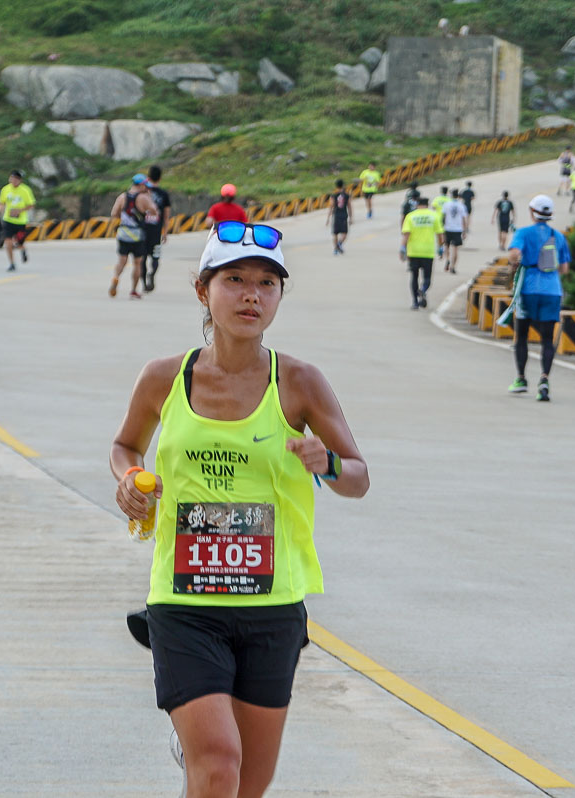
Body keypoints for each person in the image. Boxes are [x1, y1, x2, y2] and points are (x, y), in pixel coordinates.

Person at [110, 221, 369, 798]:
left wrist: (325, 463)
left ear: (279, 296)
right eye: (235, 280)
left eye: (266, 284)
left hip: (271, 605)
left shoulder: (299, 382)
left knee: (248, 782)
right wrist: (129, 477)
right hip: (184, 600)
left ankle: (199, 756)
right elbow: (125, 445)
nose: (251, 294)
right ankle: (201, 744)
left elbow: (358, 477)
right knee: (221, 762)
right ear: (203, 291)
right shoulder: (164, 377)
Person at [506, 195, 570, 402]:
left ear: (532, 211)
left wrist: (517, 264)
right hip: (552, 291)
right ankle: (544, 380)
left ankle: (521, 379)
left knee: (522, 335)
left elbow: (514, 254)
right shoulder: (558, 236)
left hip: (529, 290)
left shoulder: (523, 233)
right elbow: (565, 268)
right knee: (547, 339)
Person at [110, 174, 159, 299]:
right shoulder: (144, 198)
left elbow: (114, 213)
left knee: (122, 261)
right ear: (141, 185)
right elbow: (154, 211)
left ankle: (116, 278)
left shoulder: (122, 197)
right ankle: (133, 290)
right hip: (137, 235)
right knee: (137, 263)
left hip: (123, 233)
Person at [400, 196, 443, 310]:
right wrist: (441, 247)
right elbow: (439, 234)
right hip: (428, 252)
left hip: (413, 251)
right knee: (427, 277)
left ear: (417, 204)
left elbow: (406, 234)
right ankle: (423, 290)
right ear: (427, 204)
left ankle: (415, 302)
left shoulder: (411, 216)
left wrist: (402, 248)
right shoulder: (434, 216)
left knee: (414, 277)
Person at [0, 169, 35, 272]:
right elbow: (2, 202)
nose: (13, 181)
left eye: (16, 179)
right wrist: (0, 208)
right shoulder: (5, 189)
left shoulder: (25, 190)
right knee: (8, 242)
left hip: (20, 221)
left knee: (19, 243)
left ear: (20, 180)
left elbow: (31, 204)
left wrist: (19, 211)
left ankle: (23, 250)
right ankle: (12, 263)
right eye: (12, 178)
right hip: (8, 220)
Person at [143, 165, 172, 293]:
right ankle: (152, 274)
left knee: (142, 258)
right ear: (160, 178)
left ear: (148, 177)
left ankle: (144, 283)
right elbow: (166, 216)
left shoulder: (142, 192)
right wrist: (165, 233)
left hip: (142, 231)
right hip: (156, 231)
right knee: (155, 257)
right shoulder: (163, 194)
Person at [440, 188, 468, 273]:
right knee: (455, 249)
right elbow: (464, 219)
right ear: (458, 196)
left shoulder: (446, 204)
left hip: (448, 228)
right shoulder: (462, 205)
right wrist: (464, 231)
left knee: (446, 246)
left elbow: (443, 217)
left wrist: (442, 227)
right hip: (457, 229)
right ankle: (453, 266)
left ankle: (448, 259)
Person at [326, 178, 351, 255]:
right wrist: (351, 217)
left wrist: (328, 218)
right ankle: (339, 244)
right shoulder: (347, 195)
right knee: (345, 233)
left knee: (335, 233)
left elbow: (331, 206)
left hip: (336, 215)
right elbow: (349, 206)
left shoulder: (333, 195)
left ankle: (335, 249)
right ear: (343, 185)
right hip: (344, 215)